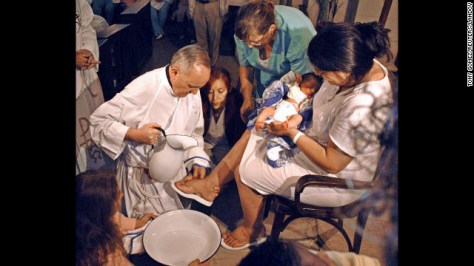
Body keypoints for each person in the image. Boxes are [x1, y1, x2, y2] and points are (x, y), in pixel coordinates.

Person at [173, 21, 394, 250]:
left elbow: (333, 162)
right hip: (316, 139)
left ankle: (253, 230)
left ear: (345, 71)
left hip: (336, 178)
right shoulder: (359, 58)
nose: (317, 75)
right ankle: (211, 184)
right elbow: (316, 100)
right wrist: (289, 112)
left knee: (246, 170)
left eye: (323, 72)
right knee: (256, 128)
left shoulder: (362, 106)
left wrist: (292, 132)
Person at [90, 44, 212, 218]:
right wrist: (134, 134)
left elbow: (193, 134)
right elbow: (98, 121)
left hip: (174, 177)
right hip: (141, 178)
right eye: (191, 86)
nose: (194, 93)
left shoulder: (193, 89)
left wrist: (196, 161)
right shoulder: (144, 87)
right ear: (175, 72)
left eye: (198, 88)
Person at [233, 0, 316, 121]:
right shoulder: (244, 33)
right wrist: (247, 98)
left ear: (271, 30)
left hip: (298, 86)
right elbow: (245, 66)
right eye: (246, 42)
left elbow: (303, 82)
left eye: (255, 42)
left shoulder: (297, 34)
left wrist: (283, 110)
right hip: (266, 84)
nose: (250, 46)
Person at [76, 169, 157, 266]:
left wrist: (140, 222)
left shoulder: (96, 216)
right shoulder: (102, 254)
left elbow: (121, 221)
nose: (122, 195)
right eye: (117, 194)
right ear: (104, 208)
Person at [201, 66, 247, 166]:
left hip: (225, 145)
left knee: (225, 173)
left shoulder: (236, 102)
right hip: (202, 144)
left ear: (229, 88)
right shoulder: (200, 100)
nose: (215, 98)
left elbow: (239, 136)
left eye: (221, 91)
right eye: (210, 92)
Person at [254, 72, 321, 131]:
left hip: (290, 116)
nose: (312, 91)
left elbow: (307, 110)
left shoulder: (307, 100)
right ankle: (260, 121)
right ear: (301, 82)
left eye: (315, 90)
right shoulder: (295, 86)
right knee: (268, 109)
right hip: (278, 107)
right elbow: (283, 81)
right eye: (310, 87)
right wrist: (293, 75)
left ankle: (287, 125)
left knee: (299, 118)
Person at [188, 0, 228, 66]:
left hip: (214, 4)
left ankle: (212, 64)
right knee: (200, 37)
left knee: (214, 37)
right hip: (197, 5)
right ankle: (203, 62)